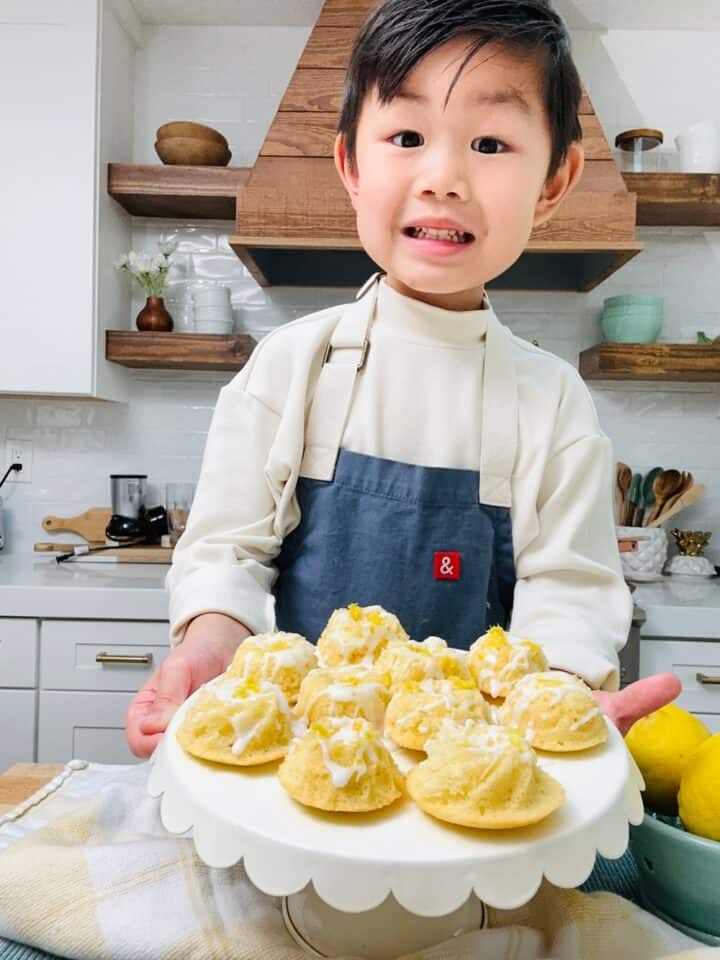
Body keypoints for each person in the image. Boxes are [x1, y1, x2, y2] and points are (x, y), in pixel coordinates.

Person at [126, 0, 679, 759]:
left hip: (473, 789)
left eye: (489, 142)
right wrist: (207, 646)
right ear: (351, 163)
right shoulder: (291, 367)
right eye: (407, 136)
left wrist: (561, 705)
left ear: (556, 180)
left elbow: (570, 597)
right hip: (296, 781)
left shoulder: (550, 401)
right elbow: (226, 554)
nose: (443, 177)